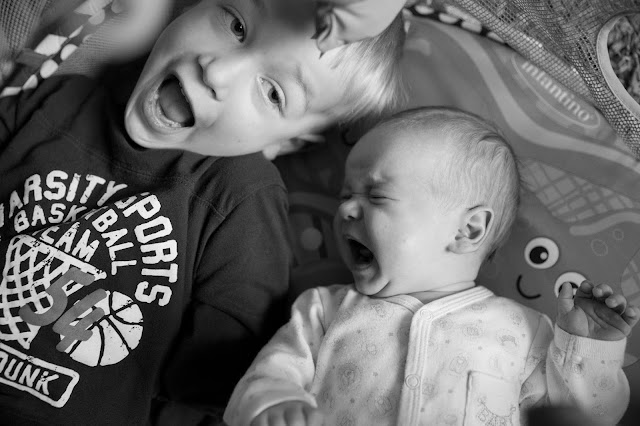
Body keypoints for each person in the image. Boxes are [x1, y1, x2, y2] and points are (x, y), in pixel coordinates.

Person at [0, 0, 405, 424]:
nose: (217, 71)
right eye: (236, 25)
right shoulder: (52, 101)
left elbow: (217, 383)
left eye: (272, 93)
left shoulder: (240, 196)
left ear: (284, 143)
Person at [224, 107, 640, 426]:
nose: (346, 209)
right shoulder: (324, 311)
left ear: (468, 230)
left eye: (376, 195)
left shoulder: (523, 331)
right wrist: (274, 403)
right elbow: (271, 373)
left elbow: (589, 415)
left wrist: (590, 352)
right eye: (345, 195)